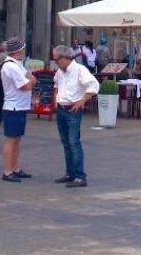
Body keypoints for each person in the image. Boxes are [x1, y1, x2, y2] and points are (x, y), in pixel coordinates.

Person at [51, 45, 99, 188]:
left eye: (57, 59)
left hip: (72, 110)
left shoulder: (80, 70)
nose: (56, 62)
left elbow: (94, 85)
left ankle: (79, 176)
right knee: (65, 142)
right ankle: (70, 172)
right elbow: (56, 85)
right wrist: (55, 99)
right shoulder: (60, 72)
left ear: (65, 58)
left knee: (74, 143)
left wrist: (82, 100)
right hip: (61, 109)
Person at [0, 37, 36, 182]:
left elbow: (30, 77)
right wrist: (31, 80)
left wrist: (31, 80)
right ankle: (7, 171)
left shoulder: (18, 64)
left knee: (17, 139)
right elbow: (26, 85)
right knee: (11, 139)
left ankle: (15, 167)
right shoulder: (11, 66)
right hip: (13, 106)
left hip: (20, 106)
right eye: (22, 48)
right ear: (18, 50)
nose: (23, 50)